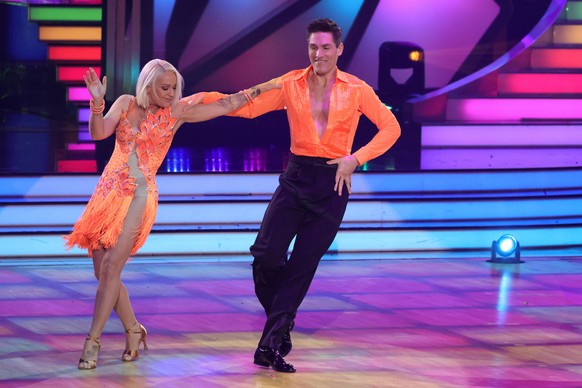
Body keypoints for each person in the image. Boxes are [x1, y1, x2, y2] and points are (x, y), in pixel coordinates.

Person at [201, 18, 401, 372]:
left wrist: (356, 159)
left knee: (302, 266)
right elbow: (246, 105)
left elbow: (391, 127)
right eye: (313, 47)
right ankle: (283, 323)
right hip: (296, 179)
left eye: (325, 47)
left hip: (333, 185)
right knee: (264, 255)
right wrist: (194, 105)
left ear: (339, 50)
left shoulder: (357, 89)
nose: (319, 54)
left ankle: (271, 344)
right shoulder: (290, 84)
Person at [64, 59, 279, 370]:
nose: (170, 93)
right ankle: (134, 330)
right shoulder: (125, 103)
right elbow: (98, 133)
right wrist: (97, 102)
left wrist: (268, 87)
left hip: (140, 195)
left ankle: (92, 341)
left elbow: (226, 103)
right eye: (164, 87)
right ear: (148, 85)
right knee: (103, 272)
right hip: (108, 194)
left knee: (112, 267)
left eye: (174, 87)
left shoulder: (177, 113)